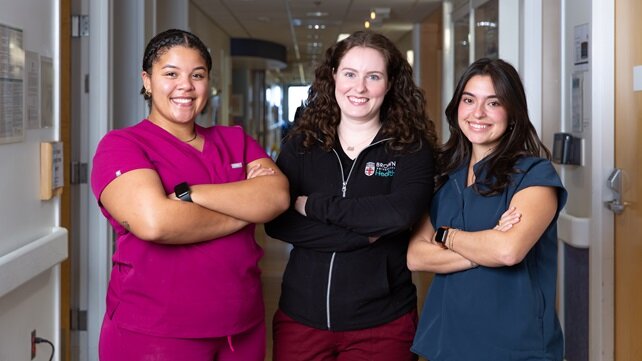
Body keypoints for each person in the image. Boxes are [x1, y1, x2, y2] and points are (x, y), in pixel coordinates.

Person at [90, 28, 289, 361]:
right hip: (155, 333)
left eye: (197, 75)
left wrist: (190, 195)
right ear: (147, 80)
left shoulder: (234, 139)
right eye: (170, 74)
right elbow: (156, 223)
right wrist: (246, 206)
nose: (185, 86)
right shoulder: (122, 145)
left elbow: (277, 198)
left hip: (241, 328)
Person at [264, 30, 438, 361]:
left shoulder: (410, 149)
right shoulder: (301, 145)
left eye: (373, 76)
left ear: (389, 84)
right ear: (333, 77)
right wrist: (365, 233)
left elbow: (399, 215)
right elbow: (277, 221)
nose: (359, 88)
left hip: (382, 324)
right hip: (301, 320)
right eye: (350, 74)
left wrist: (311, 204)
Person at [407, 58, 567, 360]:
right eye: (469, 100)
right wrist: (488, 243)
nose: (478, 113)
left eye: (493, 103)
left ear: (512, 112)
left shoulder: (535, 176)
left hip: (515, 344)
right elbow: (416, 256)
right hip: (449, 339)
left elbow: (508, 251)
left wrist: (446, 237)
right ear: (457, 107)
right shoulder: (443, 174)